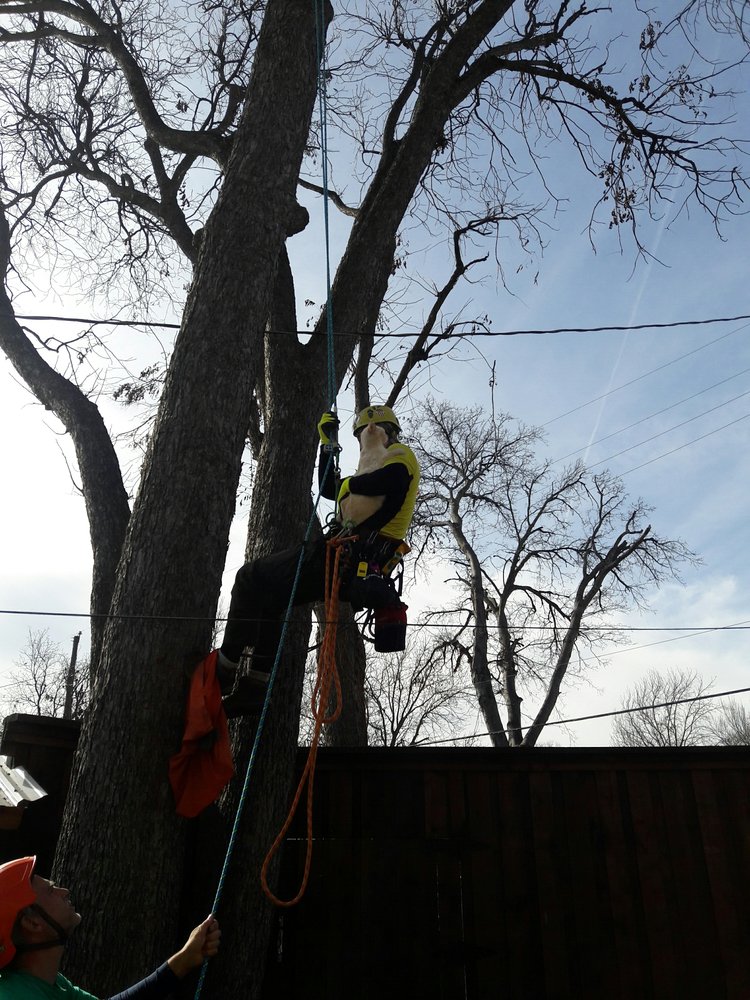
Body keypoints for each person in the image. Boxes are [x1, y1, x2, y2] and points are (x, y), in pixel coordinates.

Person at [217, 404, 420, 712]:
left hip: (345, 556)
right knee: (272, 599)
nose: (364, 441)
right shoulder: (371, 473)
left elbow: (390, 480)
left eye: (365, 434)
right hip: (345, 561)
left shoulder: (400, 455)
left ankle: (223, 669)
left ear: (381, 432)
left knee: (249, 578)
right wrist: (327, 444)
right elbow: (329, 489)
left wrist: (349, 485)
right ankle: (256, 684)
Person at [0, 856, 221, 999]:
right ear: (33, 923)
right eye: (51, 891)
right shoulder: (14, 995)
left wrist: (185, 959)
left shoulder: (51, 983)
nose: (64, 891)